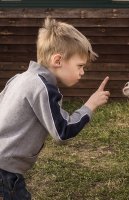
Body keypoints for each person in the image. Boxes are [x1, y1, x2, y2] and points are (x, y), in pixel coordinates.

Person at [0, 17, 110, 200]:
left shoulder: (19, 78)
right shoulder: (43, 87)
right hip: (5, 173)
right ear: (58, 60)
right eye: (80, 66)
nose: (82, 72)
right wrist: (91, 104)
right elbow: (63, 131)